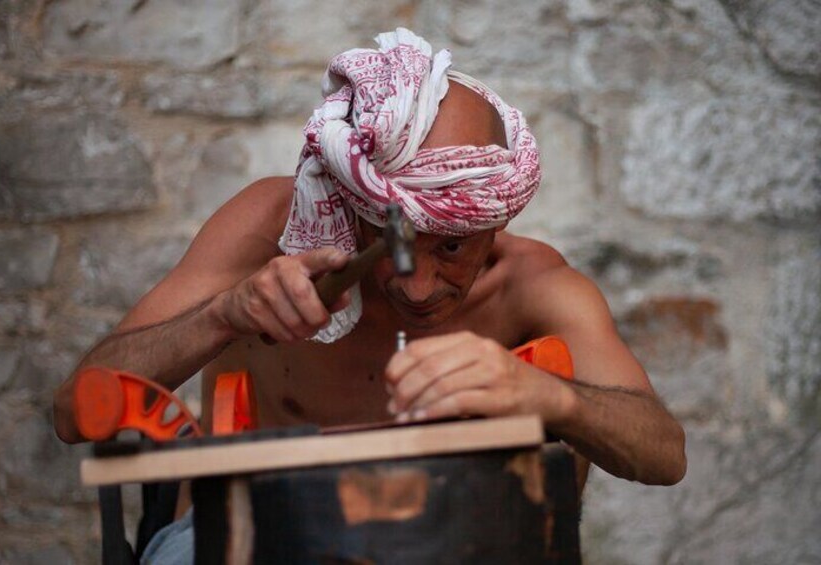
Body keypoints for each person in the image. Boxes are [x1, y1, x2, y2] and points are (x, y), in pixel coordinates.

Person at [53, 27, 685, 562]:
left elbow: (663, 452)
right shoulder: (270, 232)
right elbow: (74, 411)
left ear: (496, 221)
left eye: (453, 248)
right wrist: (223, 313)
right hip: (247, 538)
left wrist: (552, 399)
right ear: (346, 200)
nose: (415, 283)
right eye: (387, 235)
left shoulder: (534, 285)